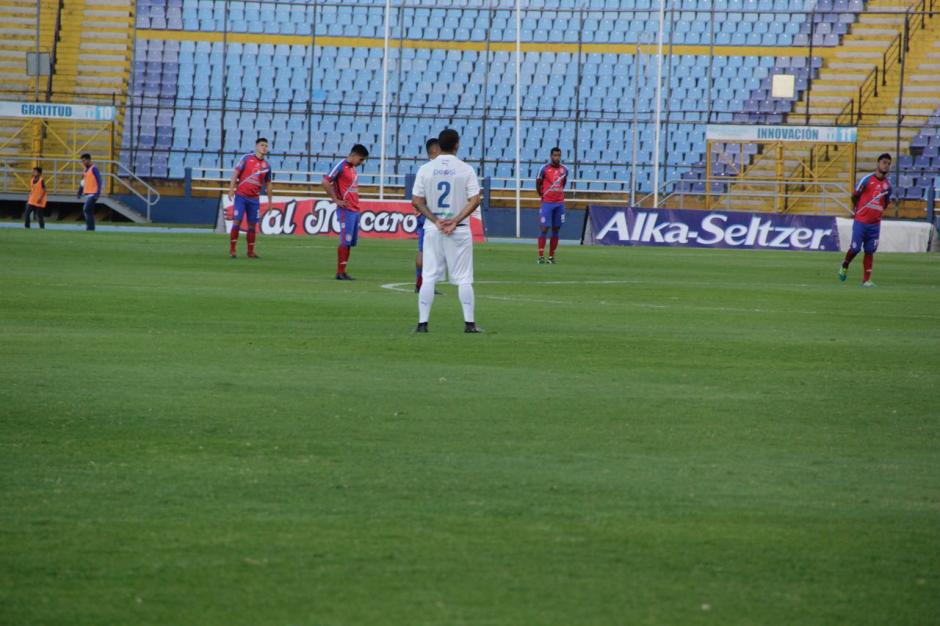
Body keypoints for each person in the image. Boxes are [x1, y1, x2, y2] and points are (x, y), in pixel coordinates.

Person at [411, 128, 482, 334]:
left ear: (439, 146)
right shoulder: (466, 169)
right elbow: (475, 199)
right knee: (464, 278)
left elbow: (416, 200)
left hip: (434, 229)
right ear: (457, 144)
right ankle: (469, 324)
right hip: (458, 230)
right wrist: (455, 220)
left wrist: (435, 220)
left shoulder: (426, 169)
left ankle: (422, 324)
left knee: (429, 276)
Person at [840, 153, 893, 287]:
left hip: (875, 224)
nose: (886, 165)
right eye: (884, 162)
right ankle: (845, 264)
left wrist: (877, 211)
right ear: (878, 163)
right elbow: (855, 195)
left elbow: (885, 203)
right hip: (861, 221)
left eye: (888, 163)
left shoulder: (888, 186)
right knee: (855, 248)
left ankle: (866, 280)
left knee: (869, 250)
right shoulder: (866, 180)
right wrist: (859, 209)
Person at [322, 144, 368, 280]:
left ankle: (343, 271)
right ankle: (339, 272)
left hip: (354, 210)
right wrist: (336, 200)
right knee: (344, 240)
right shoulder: (341, 166)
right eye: (361, 159)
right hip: (345, 210)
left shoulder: (352, 168)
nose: (361, 163)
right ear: (354, 155)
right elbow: (325, 181)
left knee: (349, 242)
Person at [227, 137, 274, 259]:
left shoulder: (267, 166)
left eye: (266, 146)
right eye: (262, 145)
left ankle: (250, 251)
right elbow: (236, 173)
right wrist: (231, 189)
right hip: (241, 196)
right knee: (237, 221)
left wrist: (270, 202)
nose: (264, 147)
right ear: (257, 147)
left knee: (252, 225)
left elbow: (268, 184)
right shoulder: (246, 158)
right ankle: (232, 249)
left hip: (254, 199)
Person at [415, 137, 442, 295]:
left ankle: (421, 284)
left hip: (422, 213)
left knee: (422, 250)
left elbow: (415, 196)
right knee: (428, 252)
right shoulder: (436, 170)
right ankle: (424, 285)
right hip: (430, 215)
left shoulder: (423, 170)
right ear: (435, 150)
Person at [535, 147, 568, 264]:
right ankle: (540, 256)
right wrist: (542, 195)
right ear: (551, 156)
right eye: (555, 155)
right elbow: (538, 183)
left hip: (559, 203)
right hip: (547, 203)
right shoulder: (543, 169)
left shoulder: (565, 170)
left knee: (556, 229)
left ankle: (551, 257)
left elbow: (563, 184)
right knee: (544, 228)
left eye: (559, 155)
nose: (557, 158)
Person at [76, 153, 101, 231]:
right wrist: (79, 192)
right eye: (82, 161)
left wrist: (98, 193)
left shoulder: (94, 168)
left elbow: (99, 181)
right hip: (88, 194)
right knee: (89, 212)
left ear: (88, 160)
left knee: (86, 210)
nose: (83, 162)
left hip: (93, 194)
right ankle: (91, 228)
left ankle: (89, 228)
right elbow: (82, 182)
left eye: (84, 160)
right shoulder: (85, 170)